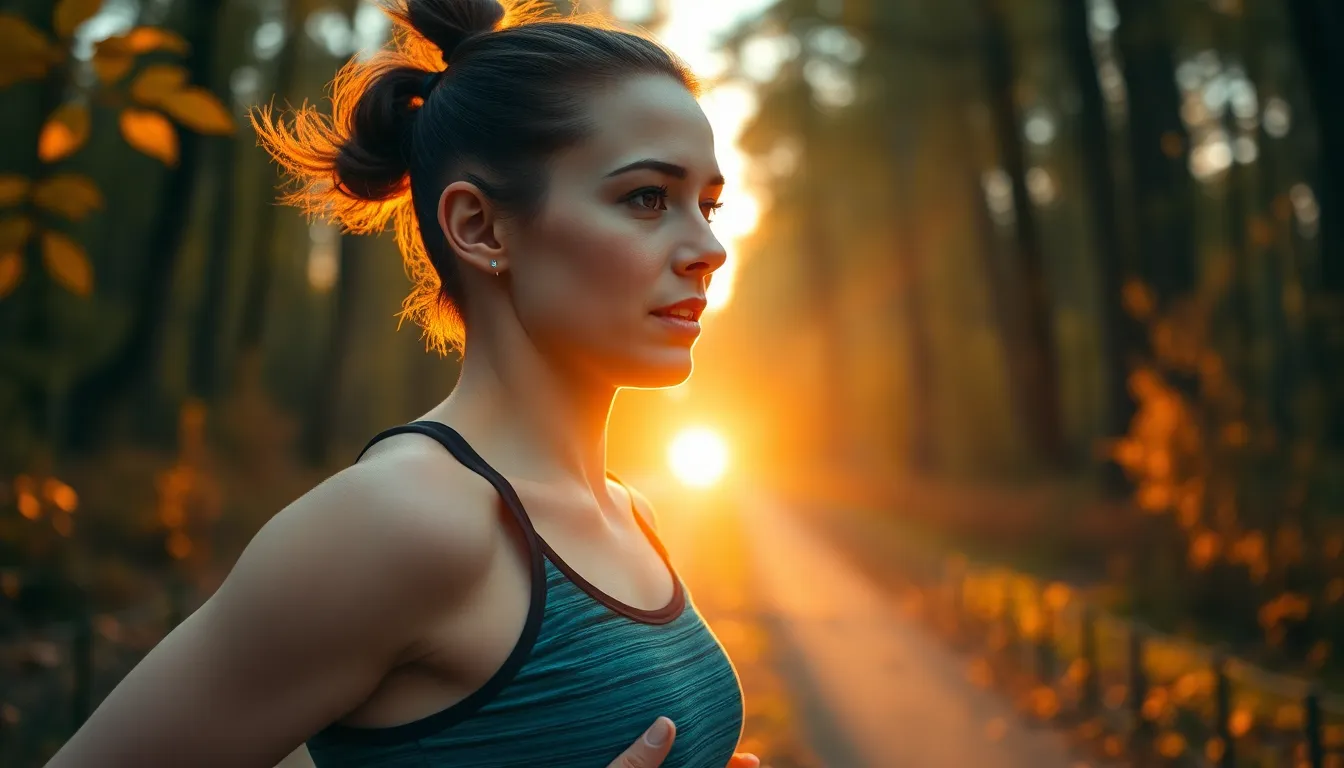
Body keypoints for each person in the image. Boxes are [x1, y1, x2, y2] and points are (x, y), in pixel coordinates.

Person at [45, 0, 760, 766]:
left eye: (708, 204)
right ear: (480, 227)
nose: (709, 247)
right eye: (648, 197)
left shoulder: (631, 512)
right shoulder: (399, 522)